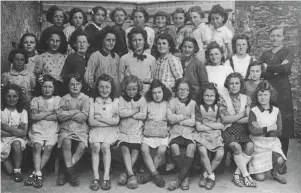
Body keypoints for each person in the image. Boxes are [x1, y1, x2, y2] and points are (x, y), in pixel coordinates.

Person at [259, 26, 294, 174]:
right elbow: (261, 70)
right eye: (272, 36)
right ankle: (268, 161)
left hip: (283, 92)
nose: (275, 38)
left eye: (278, 36)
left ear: (283, 38)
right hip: (269, 91)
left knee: (283, 125)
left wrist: (270, 67)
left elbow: (286, 68)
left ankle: (282, 161)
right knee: (268, 123)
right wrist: (275, 67)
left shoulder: (287, 51)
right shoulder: (265, 53)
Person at [219, 72, 256, 188]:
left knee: (250, 146)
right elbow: (224, 119)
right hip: (228, 130)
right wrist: (241, 115)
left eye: (236, 83)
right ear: (228, 85)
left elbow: (248, 118)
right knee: (236, 146)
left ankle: (236, 174)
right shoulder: (222, 99)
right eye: (231, 83)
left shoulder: (246, 98)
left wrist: (233, 118)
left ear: (241, 85)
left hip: (243, 130)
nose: (234, 85)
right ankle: (245, 175)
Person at [24, 75, 60, 188]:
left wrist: (41, 115)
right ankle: (39, 174)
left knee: (48, 148)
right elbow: (33, 117)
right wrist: (50, 113)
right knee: (37, 146)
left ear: (54, 88)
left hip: (52, 129)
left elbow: (58, 116)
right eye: (45, 86)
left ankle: (35, 173)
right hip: (38, 129)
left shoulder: (58, 99)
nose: (47, 89)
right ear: (41, 87)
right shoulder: (36, 100)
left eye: (50, 87)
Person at [248, 81, 287, 184]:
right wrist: (269, 128)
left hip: (272, 143)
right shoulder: (254, 111)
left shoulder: (276, 111)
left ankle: (274, 172)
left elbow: (279, 131)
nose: (263, 97)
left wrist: (261, 130)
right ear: (256, 96)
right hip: (258, 145)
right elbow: (252, 130)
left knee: (280, 160)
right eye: (260, 94)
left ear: (271, 95)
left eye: (265, 94)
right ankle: (252, 167)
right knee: (261, 178)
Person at [56, 73, 90, 186]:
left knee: (82, 146)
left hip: (81, 129)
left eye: (78, 84)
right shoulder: (64, 98)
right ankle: (70, 172)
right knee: (66, 141)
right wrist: (75, 112)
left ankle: (66, 170)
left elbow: (83, 117)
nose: (75, 86)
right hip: (66, 127)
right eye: (72, 84)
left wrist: (68, 114)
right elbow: (60, 115)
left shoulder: (85, 98)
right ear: (68, 86)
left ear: (81, 85)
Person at [88, 74, 120, 191]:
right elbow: (91, 122)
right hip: (96, 130)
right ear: (97, 87)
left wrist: (100, 119)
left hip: (111, 131)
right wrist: (108, 122)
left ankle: (106, 177)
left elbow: (116, 121)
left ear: (112, 88)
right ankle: (96, 177)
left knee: (105, 146)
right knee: (96, 146)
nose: (104, 90)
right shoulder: (93, 101)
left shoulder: (115, 101)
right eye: (101, 87)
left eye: (107, 87)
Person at [139, 79, 172, 188]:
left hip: (162, 131)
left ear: (163, 92)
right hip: (150, 130)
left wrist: (167, 129)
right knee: (144, 149)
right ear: (151, 93)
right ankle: (155, 175)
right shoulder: (148, 104)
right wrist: (145, 128)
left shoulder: (168, 104)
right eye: (154, 93)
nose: (157, 95)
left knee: (162, 150)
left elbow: (171, 120)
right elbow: (143, 119)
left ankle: (149, 175)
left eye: (159, 92)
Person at [117, 75, 147, 189]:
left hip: (136, 130)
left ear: (138, 88)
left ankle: (126, 173)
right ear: (124, 88)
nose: (131, 92)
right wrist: (135, 111)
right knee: (124, 148)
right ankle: (131, 174)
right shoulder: (121, 99)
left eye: (134, 89)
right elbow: (121, 113)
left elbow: (143, 115)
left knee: (135, 149)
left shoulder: (142, 99)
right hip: (124, 130)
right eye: (128, 89)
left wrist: (129, 113)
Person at [167, 78, 196, 191]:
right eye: (179, 89)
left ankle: (179, 179)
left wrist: (178, 119)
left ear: (189, 91)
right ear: (176, 90)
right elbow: (170, 118)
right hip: (176, 132)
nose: (182, 92)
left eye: (185, 89)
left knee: (191, 147)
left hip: (189, 133)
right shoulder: (172, 101)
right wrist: (184, 117)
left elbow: (194, 121)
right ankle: (186, 177)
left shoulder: (193, 103)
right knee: (174, 147)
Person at [194, 83, 224, 190]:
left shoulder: (217, 107)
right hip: (202, 135)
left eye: (212, 96)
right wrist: (214, 126)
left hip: (216, 135)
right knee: (202, 151)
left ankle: (205, 174)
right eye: (206, 95)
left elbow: (221, 125)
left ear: (215, 97)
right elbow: (198, 128)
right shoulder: (198, 107)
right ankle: (211, 177)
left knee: (220, 154)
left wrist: (206, 124)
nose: (209, 98)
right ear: (202, 96)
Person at [1, 84, 29, 183]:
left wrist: (7, 128)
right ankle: (6, 159)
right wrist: (16, 130)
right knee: (9, 171)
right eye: (8, 96)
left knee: (16, 143)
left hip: (18, 139)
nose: (11, 99)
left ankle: (18, 171)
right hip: (2, 140)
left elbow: (24, 132)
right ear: (4, 97)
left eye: (15, 96)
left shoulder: (23, 112)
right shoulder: (1, 111)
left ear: (19, 97)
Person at [84, 26, 122, 96]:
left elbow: (118, 76)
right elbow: (88, 76)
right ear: (102, 40)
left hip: (114, 94)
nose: (111, 43)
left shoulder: (117, 57)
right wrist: (96, 88)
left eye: (113, 40)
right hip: (100, 93)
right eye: (108, 40)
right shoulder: (96, 55)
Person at [120, 26, 156, 94]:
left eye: (140, 40)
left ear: (144, 41)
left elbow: (153, 80)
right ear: (130, 42)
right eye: (134, 40)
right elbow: (121, 80)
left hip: (146, 94)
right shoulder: (124, 59)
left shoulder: (151, 59)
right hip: (130, 94)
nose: (137, 43)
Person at [34, 27, 67, 96]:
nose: (55, 43)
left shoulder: (65, 57)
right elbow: (37, 75)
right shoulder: (41, 57)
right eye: (52, 40)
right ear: (47, 41)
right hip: (46, 91)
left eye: (57, 41)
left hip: (61, 91)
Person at [61, 29, 90, 95]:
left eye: (84, 42)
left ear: (88, 44)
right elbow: (66, 77)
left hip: (88, 93)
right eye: (79, 42)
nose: (82, 45)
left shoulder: (91, 58)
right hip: (75, 93)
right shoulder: (71, 59)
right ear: (74, 44)